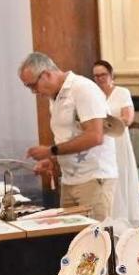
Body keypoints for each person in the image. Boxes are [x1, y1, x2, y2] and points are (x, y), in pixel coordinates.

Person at [20, 52, 117, 221]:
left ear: (47, 74)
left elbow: (95, 136)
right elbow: (69, 136)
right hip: (69, 180)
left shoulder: (82, 89)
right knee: (72, 240)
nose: (34, 92)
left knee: (94, 240)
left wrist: (51, 151)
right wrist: (53, 160)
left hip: (93, 178)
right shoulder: (54, 97)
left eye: (33, 86)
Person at [93, 59, 139, 226]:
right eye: (96, 75)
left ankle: (124, 218)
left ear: (111, 75)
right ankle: (107, 217)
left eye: (103, 75)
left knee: (121, 175)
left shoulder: (122, 92)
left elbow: (127, 119)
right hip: (101, 143)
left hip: (119, 140)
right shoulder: (93, 94)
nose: (100, 78)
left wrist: (105, 123)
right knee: (105, 179)